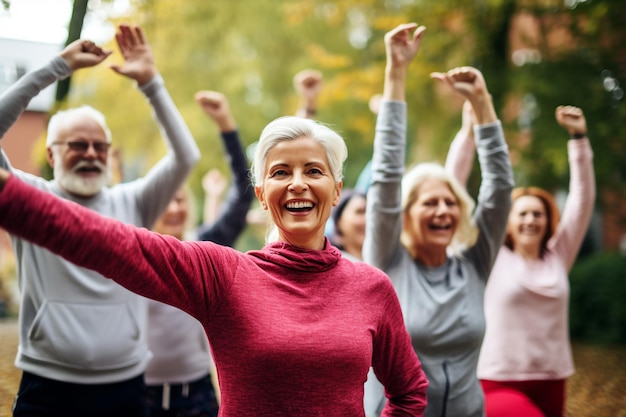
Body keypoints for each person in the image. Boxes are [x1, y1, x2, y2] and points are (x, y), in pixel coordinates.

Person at [0, 111, 429, 416]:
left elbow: (409, 391)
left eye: (313, 170)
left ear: (336, 190)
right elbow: (118, 245)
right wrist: (10, 195)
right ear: (261, 195)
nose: (297, 183)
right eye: (280, 172)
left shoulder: (371, 286)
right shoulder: (225, 274)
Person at [0, 25, 200, 417]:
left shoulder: (136, 200)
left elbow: (186, 157)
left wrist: (151, 83)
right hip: (46, 386)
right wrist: (58, 67)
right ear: (52, 155)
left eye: (100, 146)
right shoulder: (28, 197)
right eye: (77, 144)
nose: (91, 153)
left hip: (124, 387)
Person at [362, 22, 515, 417]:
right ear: (406, 213)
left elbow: (499, 190)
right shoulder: (387, 262)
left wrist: (482, 104)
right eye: (430, 203)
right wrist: (396, 73)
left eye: (450, 202)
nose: (444, 210)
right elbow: (387, 176)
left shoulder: (474, 264)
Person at [445, 105, 594, 417]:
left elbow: (581, 201)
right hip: (496, 378)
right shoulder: (490, 258)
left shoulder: (558, 256)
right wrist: (467, 135)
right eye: (522, 213)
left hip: (553, 378)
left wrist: (579, 138)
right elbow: (452, 194)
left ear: (547, 219)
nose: (531, 220)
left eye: (537, 213)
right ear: (508, 222)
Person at [145, 91, 253, 417]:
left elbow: (241, 196)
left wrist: (226, 125)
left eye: (181, 199)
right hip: (137, 395)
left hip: (197, 397)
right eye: (167, 199)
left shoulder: (202, 249)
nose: (175, 207)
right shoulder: (132, 252)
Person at [329, 189, 367, 260]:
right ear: (339, 221)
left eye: (370, 213)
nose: (367, 219)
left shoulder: (385, 262)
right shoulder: (331, 262)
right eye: (360, 212)